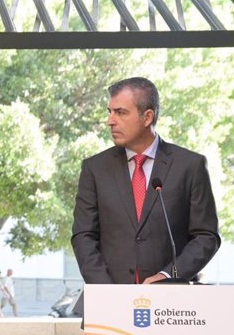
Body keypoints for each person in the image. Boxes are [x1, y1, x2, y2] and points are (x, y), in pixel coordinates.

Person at [71, 77, 220, 284]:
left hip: (171, 305)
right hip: (108, 304)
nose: (110, 120)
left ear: (147, 117)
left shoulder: (190, 166)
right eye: (110, 112)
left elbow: (206, 236)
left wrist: (168, 275)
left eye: (121, 112)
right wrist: (106, 290)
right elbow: (83, 235)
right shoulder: (94, 168)